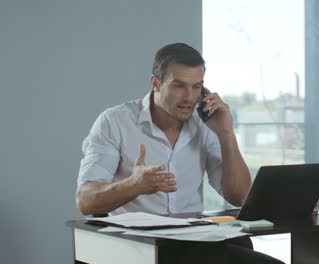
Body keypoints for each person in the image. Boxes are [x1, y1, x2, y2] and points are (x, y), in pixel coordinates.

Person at [76, 43, 284, 264]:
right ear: (156, 83)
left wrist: (226, 133)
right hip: (138, 247)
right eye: (178, 86)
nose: (189, 97)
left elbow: (239, 196)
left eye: (197, 87)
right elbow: (86, 201)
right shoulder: (115, 122)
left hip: (196, 243)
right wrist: (134, 185)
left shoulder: (207, 124)